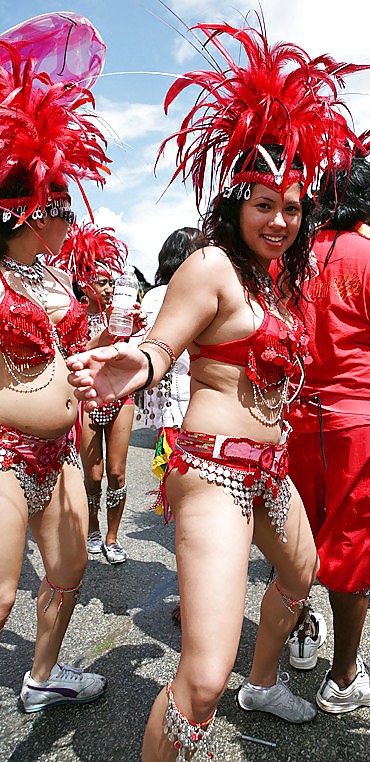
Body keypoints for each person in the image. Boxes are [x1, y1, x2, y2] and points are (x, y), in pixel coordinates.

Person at [66, 20, 368, 761]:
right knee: (201, 679)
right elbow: (162, 343)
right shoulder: (210, 267)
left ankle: (262, 682)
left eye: (293, 207)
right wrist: (136, 363)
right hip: (213, 474)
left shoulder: (282, 280)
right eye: (264, 203)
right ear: (236, 204)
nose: (281, 220)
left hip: (272, 472)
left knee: (301, 576)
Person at [0, 41, 111, 711]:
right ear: (24, 211)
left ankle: (42, 677)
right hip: (6, 454)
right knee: (0, 591)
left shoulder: (57, 280)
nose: (72, 218)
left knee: (70, 571)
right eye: (61, 204)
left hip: (61, 453)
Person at [285, 157, 370, 713]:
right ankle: (342, 679)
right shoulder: (368, 256)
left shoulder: (288, 262)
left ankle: (298, 639)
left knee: (295, 536)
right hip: (355, 421)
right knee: (351, 546)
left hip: (294, 419)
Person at [50, 222, 136, 564]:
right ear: (83, 285)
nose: (110, 288)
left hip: (120, 399)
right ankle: (94, 529)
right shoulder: (71, 317)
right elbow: (74, 355)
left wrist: (135, 327)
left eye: (111, 282)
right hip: (87, 399)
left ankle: (113, 537)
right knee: (93, 475)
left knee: (116, 472)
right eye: (102, 281)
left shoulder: (122, 314)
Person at [137, 227, 207, 622]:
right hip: (189, 421)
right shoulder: (171, 297)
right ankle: (192, 598)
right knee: (193, 517)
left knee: (188, 516)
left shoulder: (154, 298)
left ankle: (192, 596)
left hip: (176, 421)